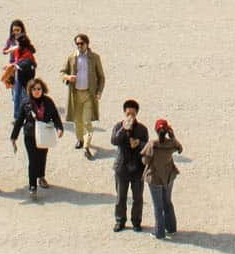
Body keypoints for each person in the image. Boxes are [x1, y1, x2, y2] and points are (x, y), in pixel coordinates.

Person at [10, 77, 63, 199]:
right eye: (34, 89)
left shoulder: (48, 101)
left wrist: (59, 128)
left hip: (44, 135)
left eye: (39, 89)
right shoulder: (26, 102)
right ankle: (32, 186)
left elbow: (55, 116)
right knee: (32, 160)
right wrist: (14, 137)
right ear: (30, 90)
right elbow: (19, 121)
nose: (37, 91)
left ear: (42, 89)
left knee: (42, 157)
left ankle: (41, 176)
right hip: (30, 135)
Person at [61, 33, 105, 159]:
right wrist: (68, 77)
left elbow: (101, 77)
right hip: (75, 94)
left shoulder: (94, 58)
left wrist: (99, 92)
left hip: (89, 94)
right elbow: (62, 72)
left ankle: (86, 145)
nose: (79, 46)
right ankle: (80, 139)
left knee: (87, 121)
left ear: (87, 43)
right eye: (77, 44)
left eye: (82, 43)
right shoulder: (71, 57)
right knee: (77, 121)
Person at [110, 99, 149, 232]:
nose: (130, 117)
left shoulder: (142, 129)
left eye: (132, 114)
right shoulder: (118, 126)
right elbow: (114, 141)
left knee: (138, 198)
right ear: (124, 113)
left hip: (137, 168)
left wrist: (139, 143)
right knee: (121, 197)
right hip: (122, 167)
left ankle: (136, 222)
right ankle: (120, 221)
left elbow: (148, 147)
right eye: (128, 114)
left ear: (136, 113)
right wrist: (123, 129)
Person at [142, 119, 183, 240]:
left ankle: (159, 232)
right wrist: (173, 136)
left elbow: (145, 161)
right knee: (168, 202)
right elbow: (180, 148)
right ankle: (171, 227)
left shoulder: (152, 144)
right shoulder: (171, 143)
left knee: (158, 206)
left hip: (155, 178)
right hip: (169, 176)